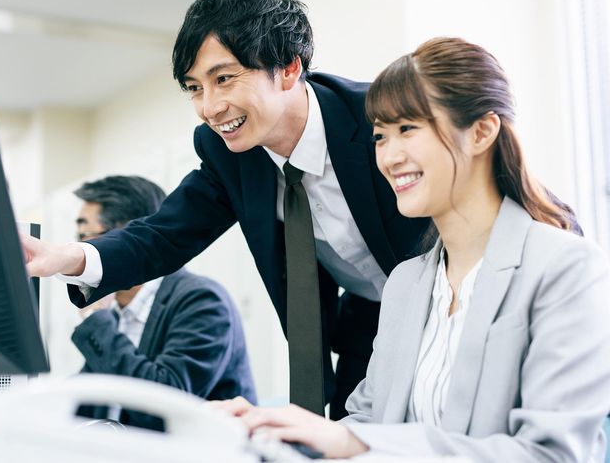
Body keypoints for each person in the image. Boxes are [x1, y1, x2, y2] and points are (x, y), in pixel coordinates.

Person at [22, 0, 429, 419]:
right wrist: (66, 258)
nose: (210, 108)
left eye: (224, 79)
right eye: (195, 88)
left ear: (289, 68)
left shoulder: (376, 118)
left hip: (445, 306)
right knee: (346, 436)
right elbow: (163, 234)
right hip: (367, 328)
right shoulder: (228, 152)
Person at [217, 38, 610, 462]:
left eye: (407, 129)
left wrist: (359, 444)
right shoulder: (406, 283)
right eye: (380, 137)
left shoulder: (566, 268)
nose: (389, 157)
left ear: (482, 132)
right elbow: (368, 420)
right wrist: (278, 433)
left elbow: (552, 454)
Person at [69, 175, 256, 431]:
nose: (80, 251)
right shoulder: (117, 311)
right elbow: (90, 394)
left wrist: (95, 321)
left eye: (85, 236)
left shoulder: (202, 301)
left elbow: (164, 409)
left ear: (124, 240)